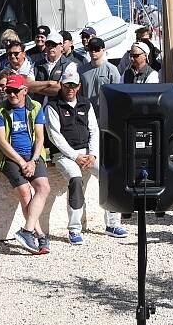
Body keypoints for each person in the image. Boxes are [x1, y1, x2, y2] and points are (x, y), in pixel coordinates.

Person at [45, 64, 126, 242]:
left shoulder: (85, 103)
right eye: (67, 85)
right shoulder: (52, 106)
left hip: (87, 152)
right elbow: (55, 136)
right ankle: (74, 229)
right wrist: (75, 156)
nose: (70, 89)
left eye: (74, 85)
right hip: (63, 155)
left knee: (109, 174)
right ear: (61, 85)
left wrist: (93, 155)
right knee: (75, 179)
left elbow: (94, 130)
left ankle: (113, 224)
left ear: (79, 86)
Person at [0, 74, 52, 254]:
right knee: (25, 191)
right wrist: (21, 161)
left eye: (15, 91)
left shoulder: (36, 107)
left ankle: (26, 231)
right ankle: (39, 233)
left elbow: (40, 137)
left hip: (32, 155)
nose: (11, 94)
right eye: (8, 91)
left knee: (44, 187)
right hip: (9, 156)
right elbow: (1, 141)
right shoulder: (0, 110)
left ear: (25, 91)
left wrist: (32, 161)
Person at [28, 31, 76, 104]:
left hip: (58, 108)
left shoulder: (69, 65)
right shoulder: (36, 65)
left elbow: (63, 89)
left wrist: (37, 88)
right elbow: (28, 86)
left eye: (54, 44)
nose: (50, 47)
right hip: (39, 109)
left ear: (61, 47)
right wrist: (50, 83)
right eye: (48, 44)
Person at [80, 37, 120, 114]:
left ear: (103, 50)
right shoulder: (81, 70)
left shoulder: (112, 70)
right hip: (86, 112)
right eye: (91, 48)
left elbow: (116, 94)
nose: (93, 51)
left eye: (97, 48)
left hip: (105, 113)